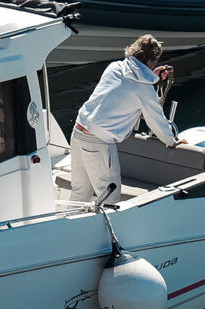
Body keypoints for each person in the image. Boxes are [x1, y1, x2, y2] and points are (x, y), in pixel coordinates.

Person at [70, 35, 175, 207]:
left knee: (79, 192)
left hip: (78, 131)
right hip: (99, 141)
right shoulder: (145, 89)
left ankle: (69, 223)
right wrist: (171, 141)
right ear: (152, 61)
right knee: (109, 200)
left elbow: (126, 85)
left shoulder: (114, 67)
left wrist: (150, 75)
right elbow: (156, 121)